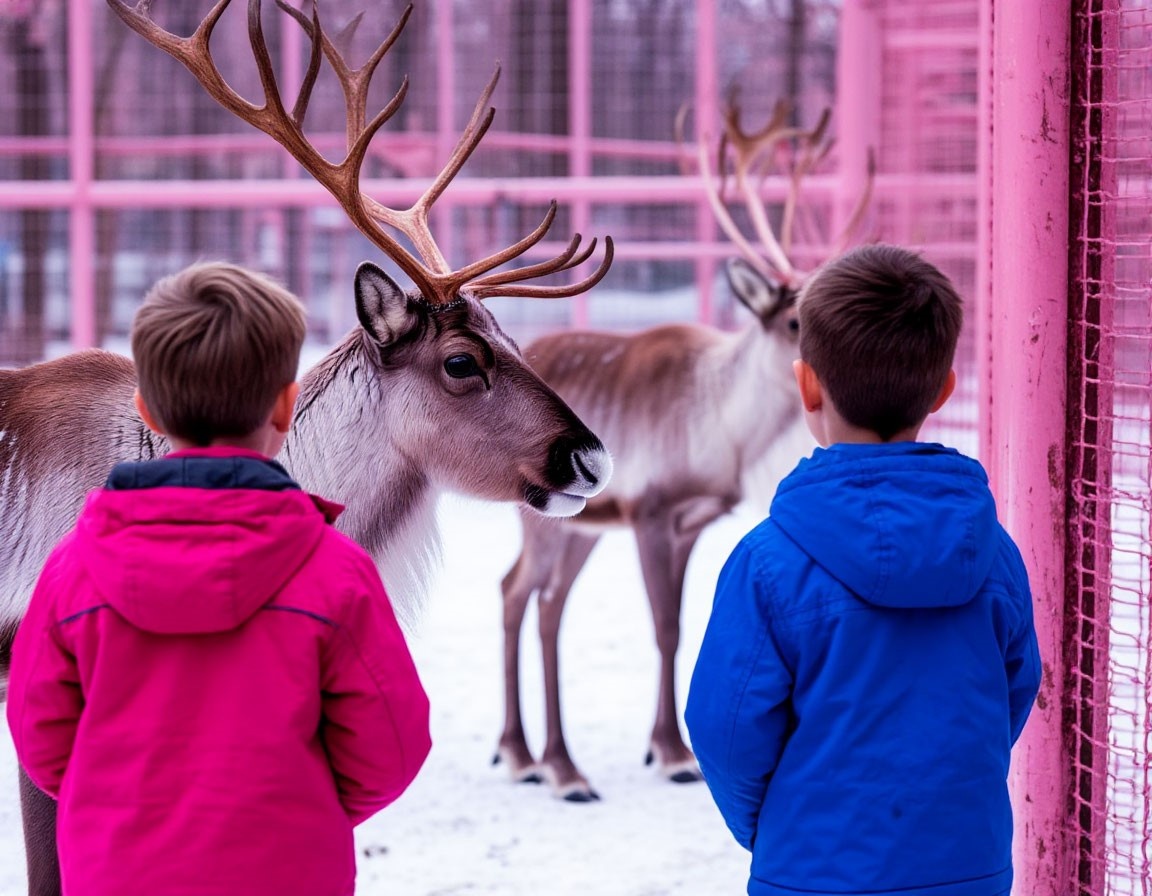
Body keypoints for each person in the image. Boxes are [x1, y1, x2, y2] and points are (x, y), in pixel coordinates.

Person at [7, 262, 432, 896]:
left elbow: (38, 730)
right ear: (287, 407)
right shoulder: (339, 574)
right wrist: (299, 815)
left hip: (115, 872)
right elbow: (392, 746)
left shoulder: (71, 569)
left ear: (146, 410)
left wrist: (111, 813)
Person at [685, 243, 1042, 896]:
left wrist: (775, 825)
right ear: (941, 391)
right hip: (969, 866)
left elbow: (725, 729)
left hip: (813, 871)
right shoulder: (994, 552)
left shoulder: (767, 563)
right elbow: (1011, 695)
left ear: (807, 385)